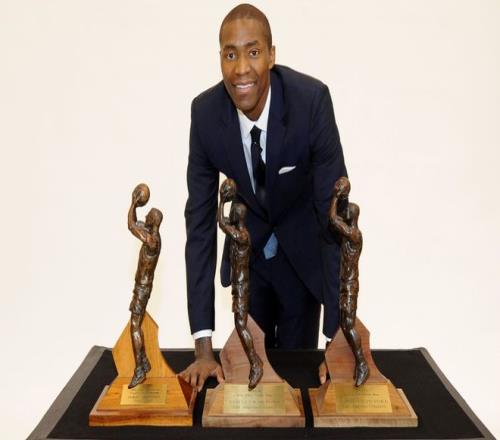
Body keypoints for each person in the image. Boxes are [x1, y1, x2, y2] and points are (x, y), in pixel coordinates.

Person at [180, 3, 348, 391]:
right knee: (247, 386)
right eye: (230, 54)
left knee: (297, 380)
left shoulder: (311, 103)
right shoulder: (205, 114)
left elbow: (335, 220)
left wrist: (337, 340)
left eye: (253, 52)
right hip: (248, 264)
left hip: (301, 264)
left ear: (272, 55)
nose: (241, 68)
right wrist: (202, 348)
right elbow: (200, 226)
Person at [217, 178, 264, 390]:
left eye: (233, 213)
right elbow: (223, 221)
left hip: (242, 288)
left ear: (238, 216)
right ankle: (254, 361)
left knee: (240, 324)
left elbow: (221, 222)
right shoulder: (240, 233)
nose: (231, 215)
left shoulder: (242, 236)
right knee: (240, 324)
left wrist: (222, 200)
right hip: (239, 287)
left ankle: (255, 363)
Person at [329, 177, 369, 387]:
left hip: (350, 286)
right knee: (345, 324)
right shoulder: (349, 235)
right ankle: (356, 362)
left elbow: (333, 219)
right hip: (345, 284)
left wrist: (336, 196)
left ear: (352, 216)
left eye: (347, 213)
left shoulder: (354, 234)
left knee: (348, 324)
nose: (344, 214)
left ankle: (362, 363)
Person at [127, 184, 163, 388]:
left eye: (148, 215)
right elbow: (133, 222)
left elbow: (131, 226)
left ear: (153, 221)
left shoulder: (152, 241)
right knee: (136, 324)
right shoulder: (151, 234)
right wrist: (133, 205)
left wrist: (134, 202)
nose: (146, 215)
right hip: (141, 288)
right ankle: (144, 362)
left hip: (142, 289)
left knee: (134, 326)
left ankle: (140, 368)